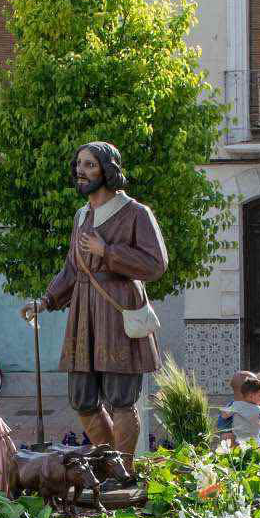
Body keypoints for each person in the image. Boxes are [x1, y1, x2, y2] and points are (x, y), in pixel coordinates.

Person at [26, 141, 168, 471]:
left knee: (121, 399)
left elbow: (155, 265)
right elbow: (73, 269)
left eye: (90, 165)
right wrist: (46, 301)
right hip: (83, 317)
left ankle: (124, 472)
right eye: (79, 165)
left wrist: (109, 252)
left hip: (117, 312)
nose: (81, 170)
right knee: (82, 399)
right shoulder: (81, 216)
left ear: (108, 169)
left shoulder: (136, 213)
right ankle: (108, 466)